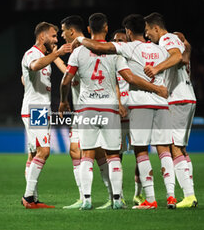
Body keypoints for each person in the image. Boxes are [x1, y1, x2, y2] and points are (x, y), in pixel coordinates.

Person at [61, 13, 168, 210]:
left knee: (87, 154)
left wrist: (62, 102)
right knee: (113, 155)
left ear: (89, 30)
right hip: (109, 108)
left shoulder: (78, 53)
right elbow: (131, 79)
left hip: (87, 109)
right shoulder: (115, 54)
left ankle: (86, 199)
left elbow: (65, 81)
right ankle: (117, 199)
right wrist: (156, 89)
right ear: (107, 28)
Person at [144, 12, 198, 208]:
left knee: (174, 147)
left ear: (156, 28)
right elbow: (183, 56)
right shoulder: (175, 38)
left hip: (178, 98)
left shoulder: (167, 38)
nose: (147, 35)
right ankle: (190, 195)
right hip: (186, 96)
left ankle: (189, 196)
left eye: (148, 30)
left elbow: (176, 56)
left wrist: (157, 68)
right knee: (181, 148)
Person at [21, 21, 71, 209]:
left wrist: (55, 56)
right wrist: (57, 53)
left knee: (33, 154)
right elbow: (34, 67)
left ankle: (33, 197)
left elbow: (26, 76)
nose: (56, 39)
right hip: (35, 110)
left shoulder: (44, 56)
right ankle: (28, 197)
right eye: (53, 36)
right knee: (44, 151)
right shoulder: (32, 53)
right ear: (42, 37)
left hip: (40, 110)